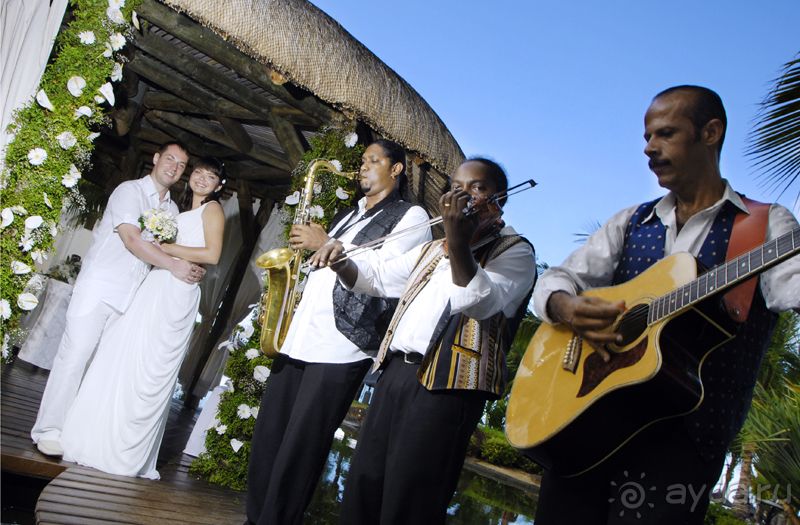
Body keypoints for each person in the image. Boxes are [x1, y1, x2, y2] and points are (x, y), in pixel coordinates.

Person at [532, 86, 800, 524]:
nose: (649, 148)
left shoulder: (767, 226)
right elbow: (559, 279)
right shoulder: (631, 221)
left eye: (665, 134)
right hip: (589, 426)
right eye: (647, 137)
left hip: (685, 445)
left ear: (710, 133)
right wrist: (566, 308)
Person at [320, 158, 537, 525]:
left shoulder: (515, 251)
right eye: (456, 186)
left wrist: (459, 242)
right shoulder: (433, 249)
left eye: (477, 188)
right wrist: (341, 261)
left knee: (411, 497)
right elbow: (377, 276)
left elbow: (482, 302)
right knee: (365, 483)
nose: (462, 195)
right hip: (395, 376)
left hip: (449, 387)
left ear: (498, 199)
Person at [243, 139, 431, 525]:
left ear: (396, 169)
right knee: (270, 434)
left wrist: (328, 243)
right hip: (301, 336)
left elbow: (388, 272)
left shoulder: (411, 216)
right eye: (362, 161)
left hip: (342, 344)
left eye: (373, 161)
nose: (363, 167)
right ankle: (253, 518)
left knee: (302, 445)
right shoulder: (350, 214)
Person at [31, 141, 205, 457]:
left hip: (132, 299)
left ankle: (74, 432)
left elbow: (169, 250)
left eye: (180, 165)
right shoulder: (130, 191)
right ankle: (47, 430)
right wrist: (176, 266)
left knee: (100, 369)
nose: (173, 167)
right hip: (99, 289)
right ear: (155, 159)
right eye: (169, 159)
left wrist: (193, 267)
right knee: (74, 359)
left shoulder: (172, 210)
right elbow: (131, 239)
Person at [59, 157, 226, 479]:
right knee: (127, 357)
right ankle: (101, 435)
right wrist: (165, 251)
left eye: (212, 177)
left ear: (220, 186)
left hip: (177, 290)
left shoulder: (213, 209)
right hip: (158, 281)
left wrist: (166, 246)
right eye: (199, 172)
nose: (203, 179)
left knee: (150, 366)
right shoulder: (179, 210)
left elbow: (212, 255)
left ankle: (128, 450)